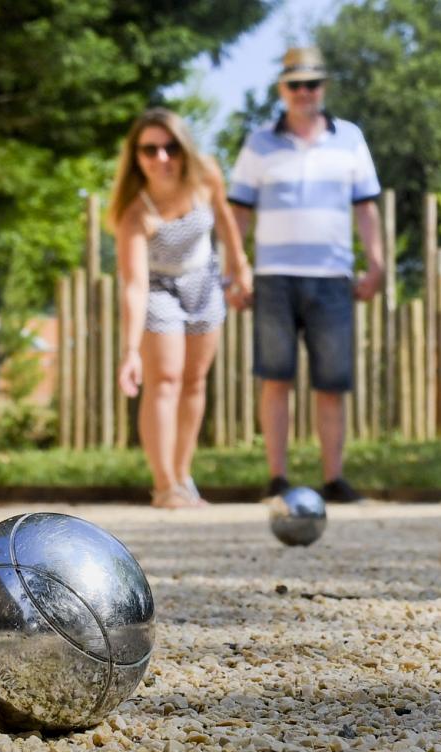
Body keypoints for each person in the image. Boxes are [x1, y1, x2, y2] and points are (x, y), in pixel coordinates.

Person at [226, 46, 386, 504]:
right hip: (273, 278)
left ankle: (333, 478)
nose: (304, 92)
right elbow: (238, 214)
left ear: (324, 87)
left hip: (332, 276)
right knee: (275, 378)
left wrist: (376, 262)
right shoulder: (258, 142)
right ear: (282, 89)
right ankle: (277, 478)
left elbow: (366, 210)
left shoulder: (351, 138)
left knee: (331, 382)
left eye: (311, 84)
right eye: (295, 85)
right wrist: (235, 273)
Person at [111, 108, 253, 509]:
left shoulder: (206, 175)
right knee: (167, 379)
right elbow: (135, 285)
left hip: (204, 281)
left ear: (184, 148)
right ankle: (164, 484)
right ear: (136, 157)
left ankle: (183, 477)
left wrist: (239, 266)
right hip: (159, 288)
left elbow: (224, 220)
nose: (161, 158)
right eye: (149, 150)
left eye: (170, 148)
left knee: (194, 381)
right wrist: (130, 352)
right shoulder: (134, 212)